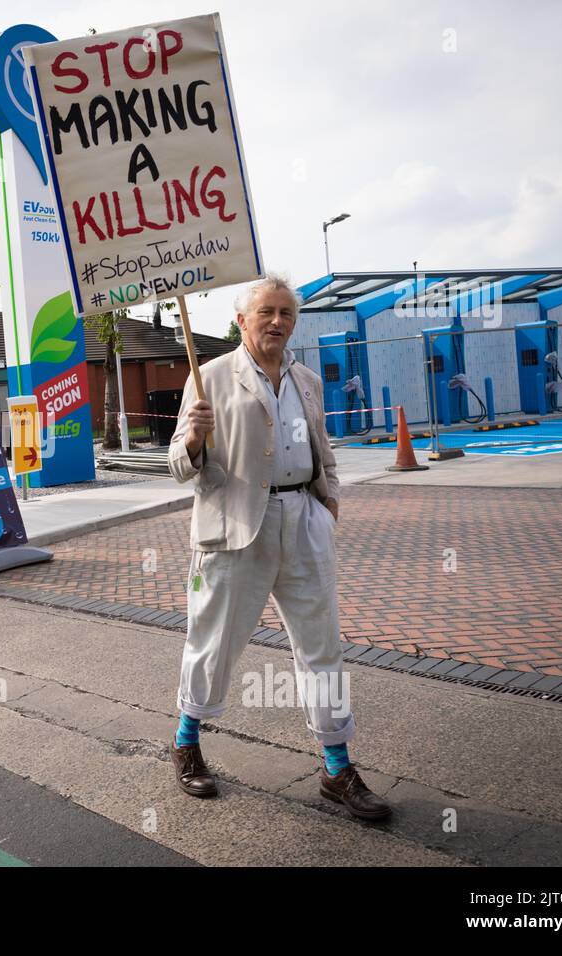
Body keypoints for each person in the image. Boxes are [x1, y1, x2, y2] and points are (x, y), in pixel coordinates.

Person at [166, 274, 391, 821]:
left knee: (322, 647)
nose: (276, 321)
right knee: (214, 641)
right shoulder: (209, 378)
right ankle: (186, 741)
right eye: (265, 312)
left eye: (286, 313)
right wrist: (193, 439)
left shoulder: (307, 380)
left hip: (304, 521)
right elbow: (177, 466)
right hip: (236, 525)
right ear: (241, 320)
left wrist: (326, 504)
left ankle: (336, 769)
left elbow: (324, 453)